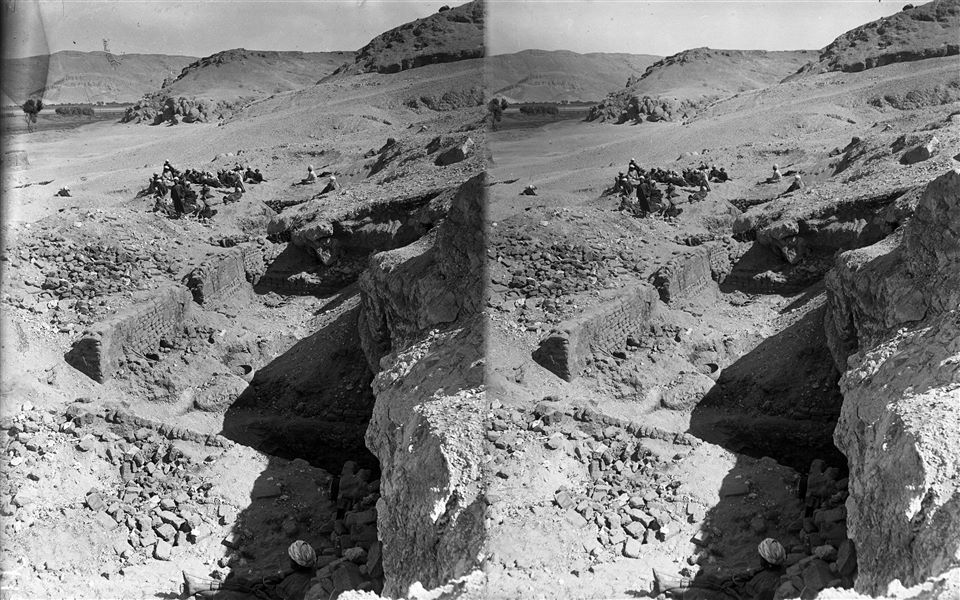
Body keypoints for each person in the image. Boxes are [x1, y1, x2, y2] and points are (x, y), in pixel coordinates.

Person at [652, 538, 787, 600]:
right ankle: (668, 585)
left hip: (736, 596)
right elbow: (753, 575)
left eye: (761, 557)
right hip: (738, 587)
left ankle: (667, 589)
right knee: (710, 580)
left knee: (700, 594)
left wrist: (731, 592)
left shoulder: (770, 585)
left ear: (768, 560)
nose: (759, 558)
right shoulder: (771, 569)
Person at [182, 540, 318, 600]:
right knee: (240, 582)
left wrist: (260, 591)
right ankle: (198, 586)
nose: (289, 561)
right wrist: (264, 582)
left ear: (299, 564)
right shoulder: (302, 569)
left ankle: (196, 589)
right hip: (269, 590)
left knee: (234, 597)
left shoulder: (300, 585)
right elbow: (282, 577)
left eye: (291, 560)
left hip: (268, 596)